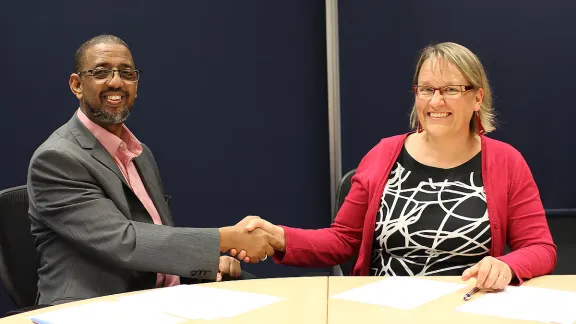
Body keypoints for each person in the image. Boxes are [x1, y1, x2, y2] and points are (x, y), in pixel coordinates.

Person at [232, 42, 557, 290]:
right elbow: (342, 241)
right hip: (384, 307)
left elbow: (540, 248)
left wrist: (508, 265)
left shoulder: (506, 161)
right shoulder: (384, 153)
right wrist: (279, 238)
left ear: (477, 98)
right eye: (426, 89)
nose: (435, 101)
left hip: (466, 306)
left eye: (451, 90)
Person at [27, 34, 279, 305]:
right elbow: (124, 242)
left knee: (266, 300)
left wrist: (208, 260)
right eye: (101, 72)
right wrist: (227, 238)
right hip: (93, 305)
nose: (116, 82)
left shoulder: (140, 153)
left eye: (126, 73)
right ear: (77, 85)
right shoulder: (56, 159)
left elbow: (155, 236)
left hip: (157, 297)